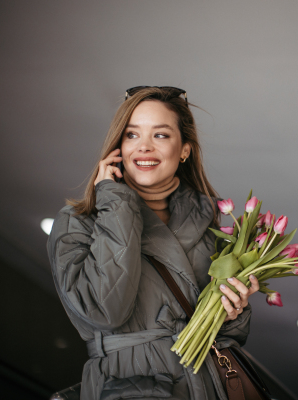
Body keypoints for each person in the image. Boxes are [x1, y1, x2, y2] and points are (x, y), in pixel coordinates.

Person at [47, 86, 259, 400]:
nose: (144, 147)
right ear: (118, 146)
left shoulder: (210, 224)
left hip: (209, 385)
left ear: (184, 149)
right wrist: (116, 203)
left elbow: (231, 338)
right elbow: (104, 313)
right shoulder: (79, 222)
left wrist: (233, 311)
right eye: (132, 135)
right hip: (135, 384)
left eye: (160, 135)